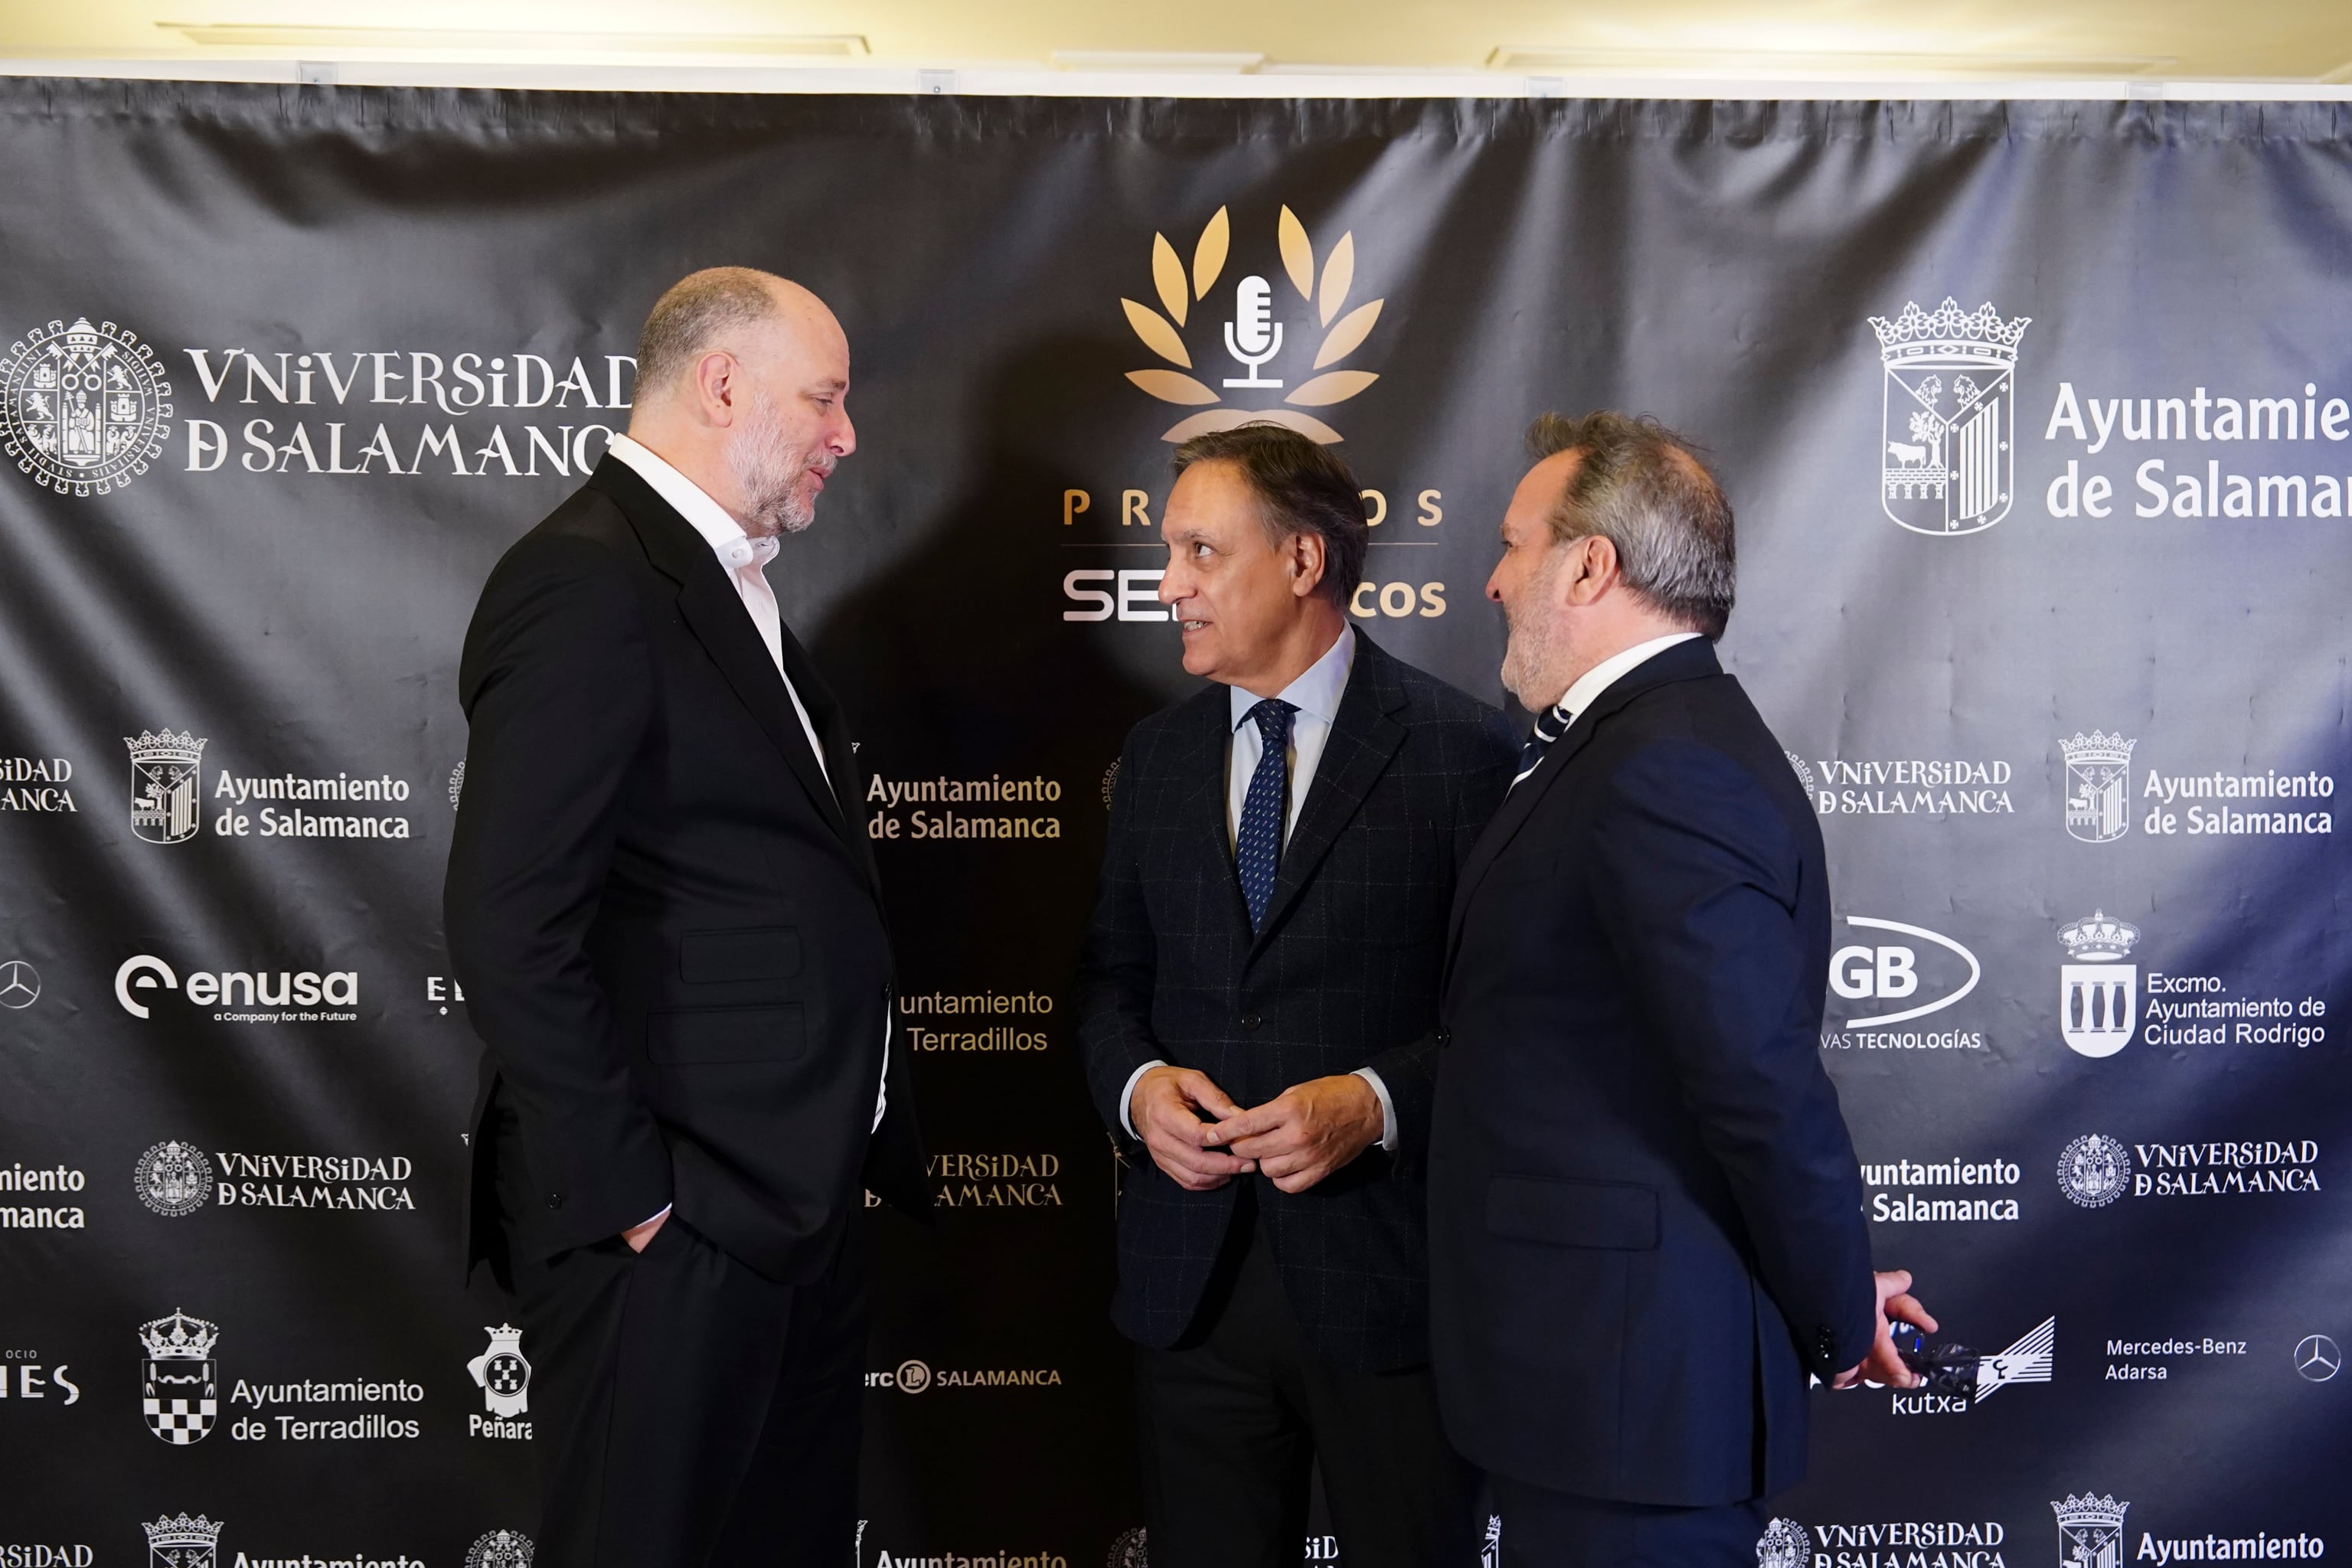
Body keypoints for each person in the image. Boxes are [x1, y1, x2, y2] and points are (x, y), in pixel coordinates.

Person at [445, 266, 926, 1568]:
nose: (847, 434)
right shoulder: (589, 581)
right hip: (678, 1228)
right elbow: (508, 919)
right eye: (824, 398)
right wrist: (642, 1204)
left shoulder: (728, 582)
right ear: (723, 385)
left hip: (787, 1212)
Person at [1428, 412, 1936, 1566]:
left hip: (1632, 1402)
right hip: (1596, 1394)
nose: (1497, 584)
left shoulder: (1667, 765)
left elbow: (1757, 1082)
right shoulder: (1637, 743)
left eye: (1514, 547)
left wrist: (1837, 1299)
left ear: (1591, 564)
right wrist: (1836, 1282)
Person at [1078, 424, 1519, 1568]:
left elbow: (1516, 1024)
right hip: (1192, 1294)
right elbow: (1106, 984)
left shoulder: (1466, 754)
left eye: (1200, 552)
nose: (1168, 584)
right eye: (1168, 553)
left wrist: (1375, 1101)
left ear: (1303, 563)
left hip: (1394, 1291)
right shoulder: (1158, 759)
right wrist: (1136, 1089)